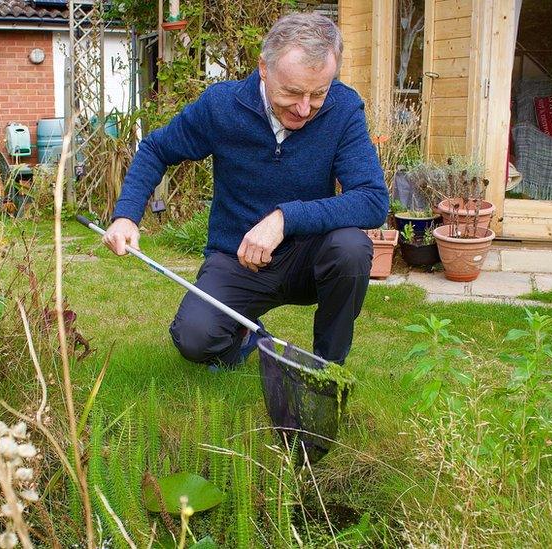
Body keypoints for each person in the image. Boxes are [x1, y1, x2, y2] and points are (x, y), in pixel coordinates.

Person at [102, 12, 387, 368]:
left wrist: (285, 218)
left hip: (309, 259)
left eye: (318, 93)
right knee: (195, 338)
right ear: (263, 69)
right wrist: (127, 215)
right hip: (237, 258)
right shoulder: (222, 106)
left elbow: (373, 199)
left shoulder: (343, 109)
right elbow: (156, 149)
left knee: (350, 247)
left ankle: (326, 368)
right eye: (293, 92)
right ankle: (247, 334)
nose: (304, 108)